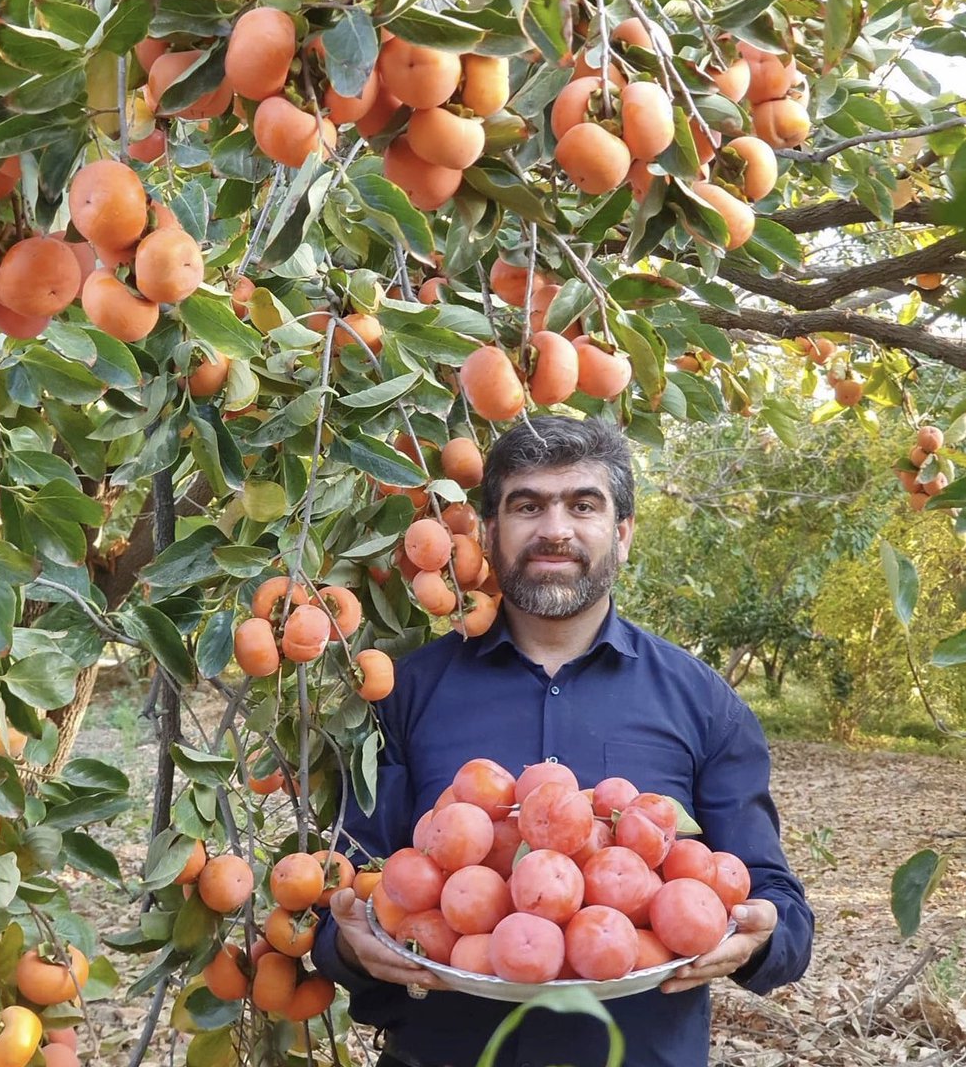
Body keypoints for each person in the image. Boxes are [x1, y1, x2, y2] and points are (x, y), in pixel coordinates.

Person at [312, 416, 814, 1067]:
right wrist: (349, 943)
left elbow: (780, 909)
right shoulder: (403, 695)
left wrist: (760, 933)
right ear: (489, 534)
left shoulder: (702, 705)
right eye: (527, 505)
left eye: (583, 504)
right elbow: (349, 889)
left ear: (623, 534)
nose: (555, 528)